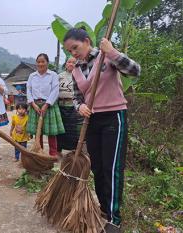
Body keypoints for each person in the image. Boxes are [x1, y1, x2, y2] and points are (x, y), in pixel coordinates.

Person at [63, 28, 140, 231]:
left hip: (114, 116)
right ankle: (104, 208)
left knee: (111, 168)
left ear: (87, 41)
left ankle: (115, 218)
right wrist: (80, 106)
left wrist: (113, 52)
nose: (73, 53)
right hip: (91, 121)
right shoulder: (76, 70)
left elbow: (135, 71)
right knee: (97, 167)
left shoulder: (106, 56)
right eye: (70, 51)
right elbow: (77, 96)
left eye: (75, 47)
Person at [26, 53, 65, 157]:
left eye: (43, 61)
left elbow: (55, 91)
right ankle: (40, 154)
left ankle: (53, 155)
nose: (40, 64)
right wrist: (33, 104)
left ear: (47, 63)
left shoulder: (53, 75)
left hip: (49, 105)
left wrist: (46, 104)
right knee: (38, 132)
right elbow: (28, 90)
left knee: (51, 133)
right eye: (38, 62)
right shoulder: (32, 76)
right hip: (35, 105)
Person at [56, 57, 83, 152]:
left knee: (73, 130)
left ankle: (74, 151)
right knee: (60, 129)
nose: (71, 64)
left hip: (74, 107)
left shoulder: (80, 76)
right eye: (69, 62)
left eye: (73, 62)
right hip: (60, 106)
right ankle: (58, 151)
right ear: (66, 64)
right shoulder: (59, 76)